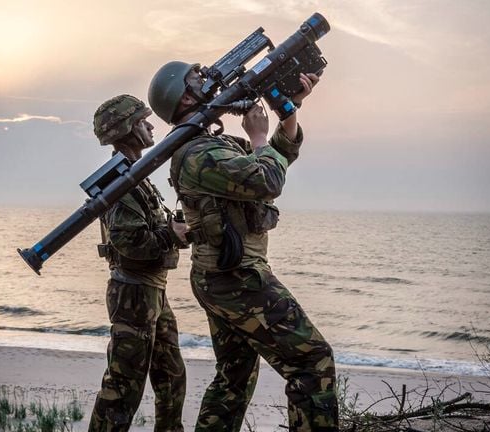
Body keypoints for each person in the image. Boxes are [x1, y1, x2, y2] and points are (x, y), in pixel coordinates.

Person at [148, 63, 338, 431]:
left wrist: (289, 112)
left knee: (234, 376)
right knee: (312, 362)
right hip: (235, 278)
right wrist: (258, 137)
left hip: (222, 275)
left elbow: (276, 158)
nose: (208, 83)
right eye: (197, 81)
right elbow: (266, 178)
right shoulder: (199, 154)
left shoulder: (209, 146)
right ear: (185, 97)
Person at [88, 94, 187, 432]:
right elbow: (129, 242)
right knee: (122, 390)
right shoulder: (121, 183)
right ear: (128, 129)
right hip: (133, 294)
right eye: (144, 120)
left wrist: (173, 232)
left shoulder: (135, 176)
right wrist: (172, 235)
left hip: (152, 291)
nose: (151, 124)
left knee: (172, 379)